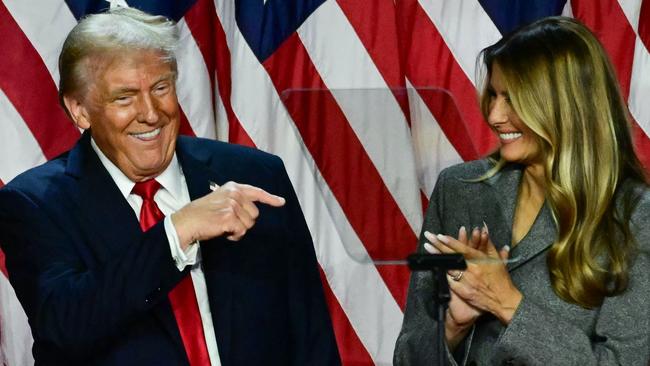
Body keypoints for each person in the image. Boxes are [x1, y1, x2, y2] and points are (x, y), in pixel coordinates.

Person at [0, 7, 340, 366]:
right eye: (124, 97)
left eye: (161, 88)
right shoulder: (36, 203)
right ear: (80, 110)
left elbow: (309, 333)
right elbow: (64, 324)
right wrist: (177, 232)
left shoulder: (254, 174)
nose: (150, 112)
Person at [394, 16, 650, 366]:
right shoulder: (459, 190)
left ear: (568, 105)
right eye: (494, 96)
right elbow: (408, 358)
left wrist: (506, 303)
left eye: (513, 100)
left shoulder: (636, 215)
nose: (495, 116)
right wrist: (453, 325)